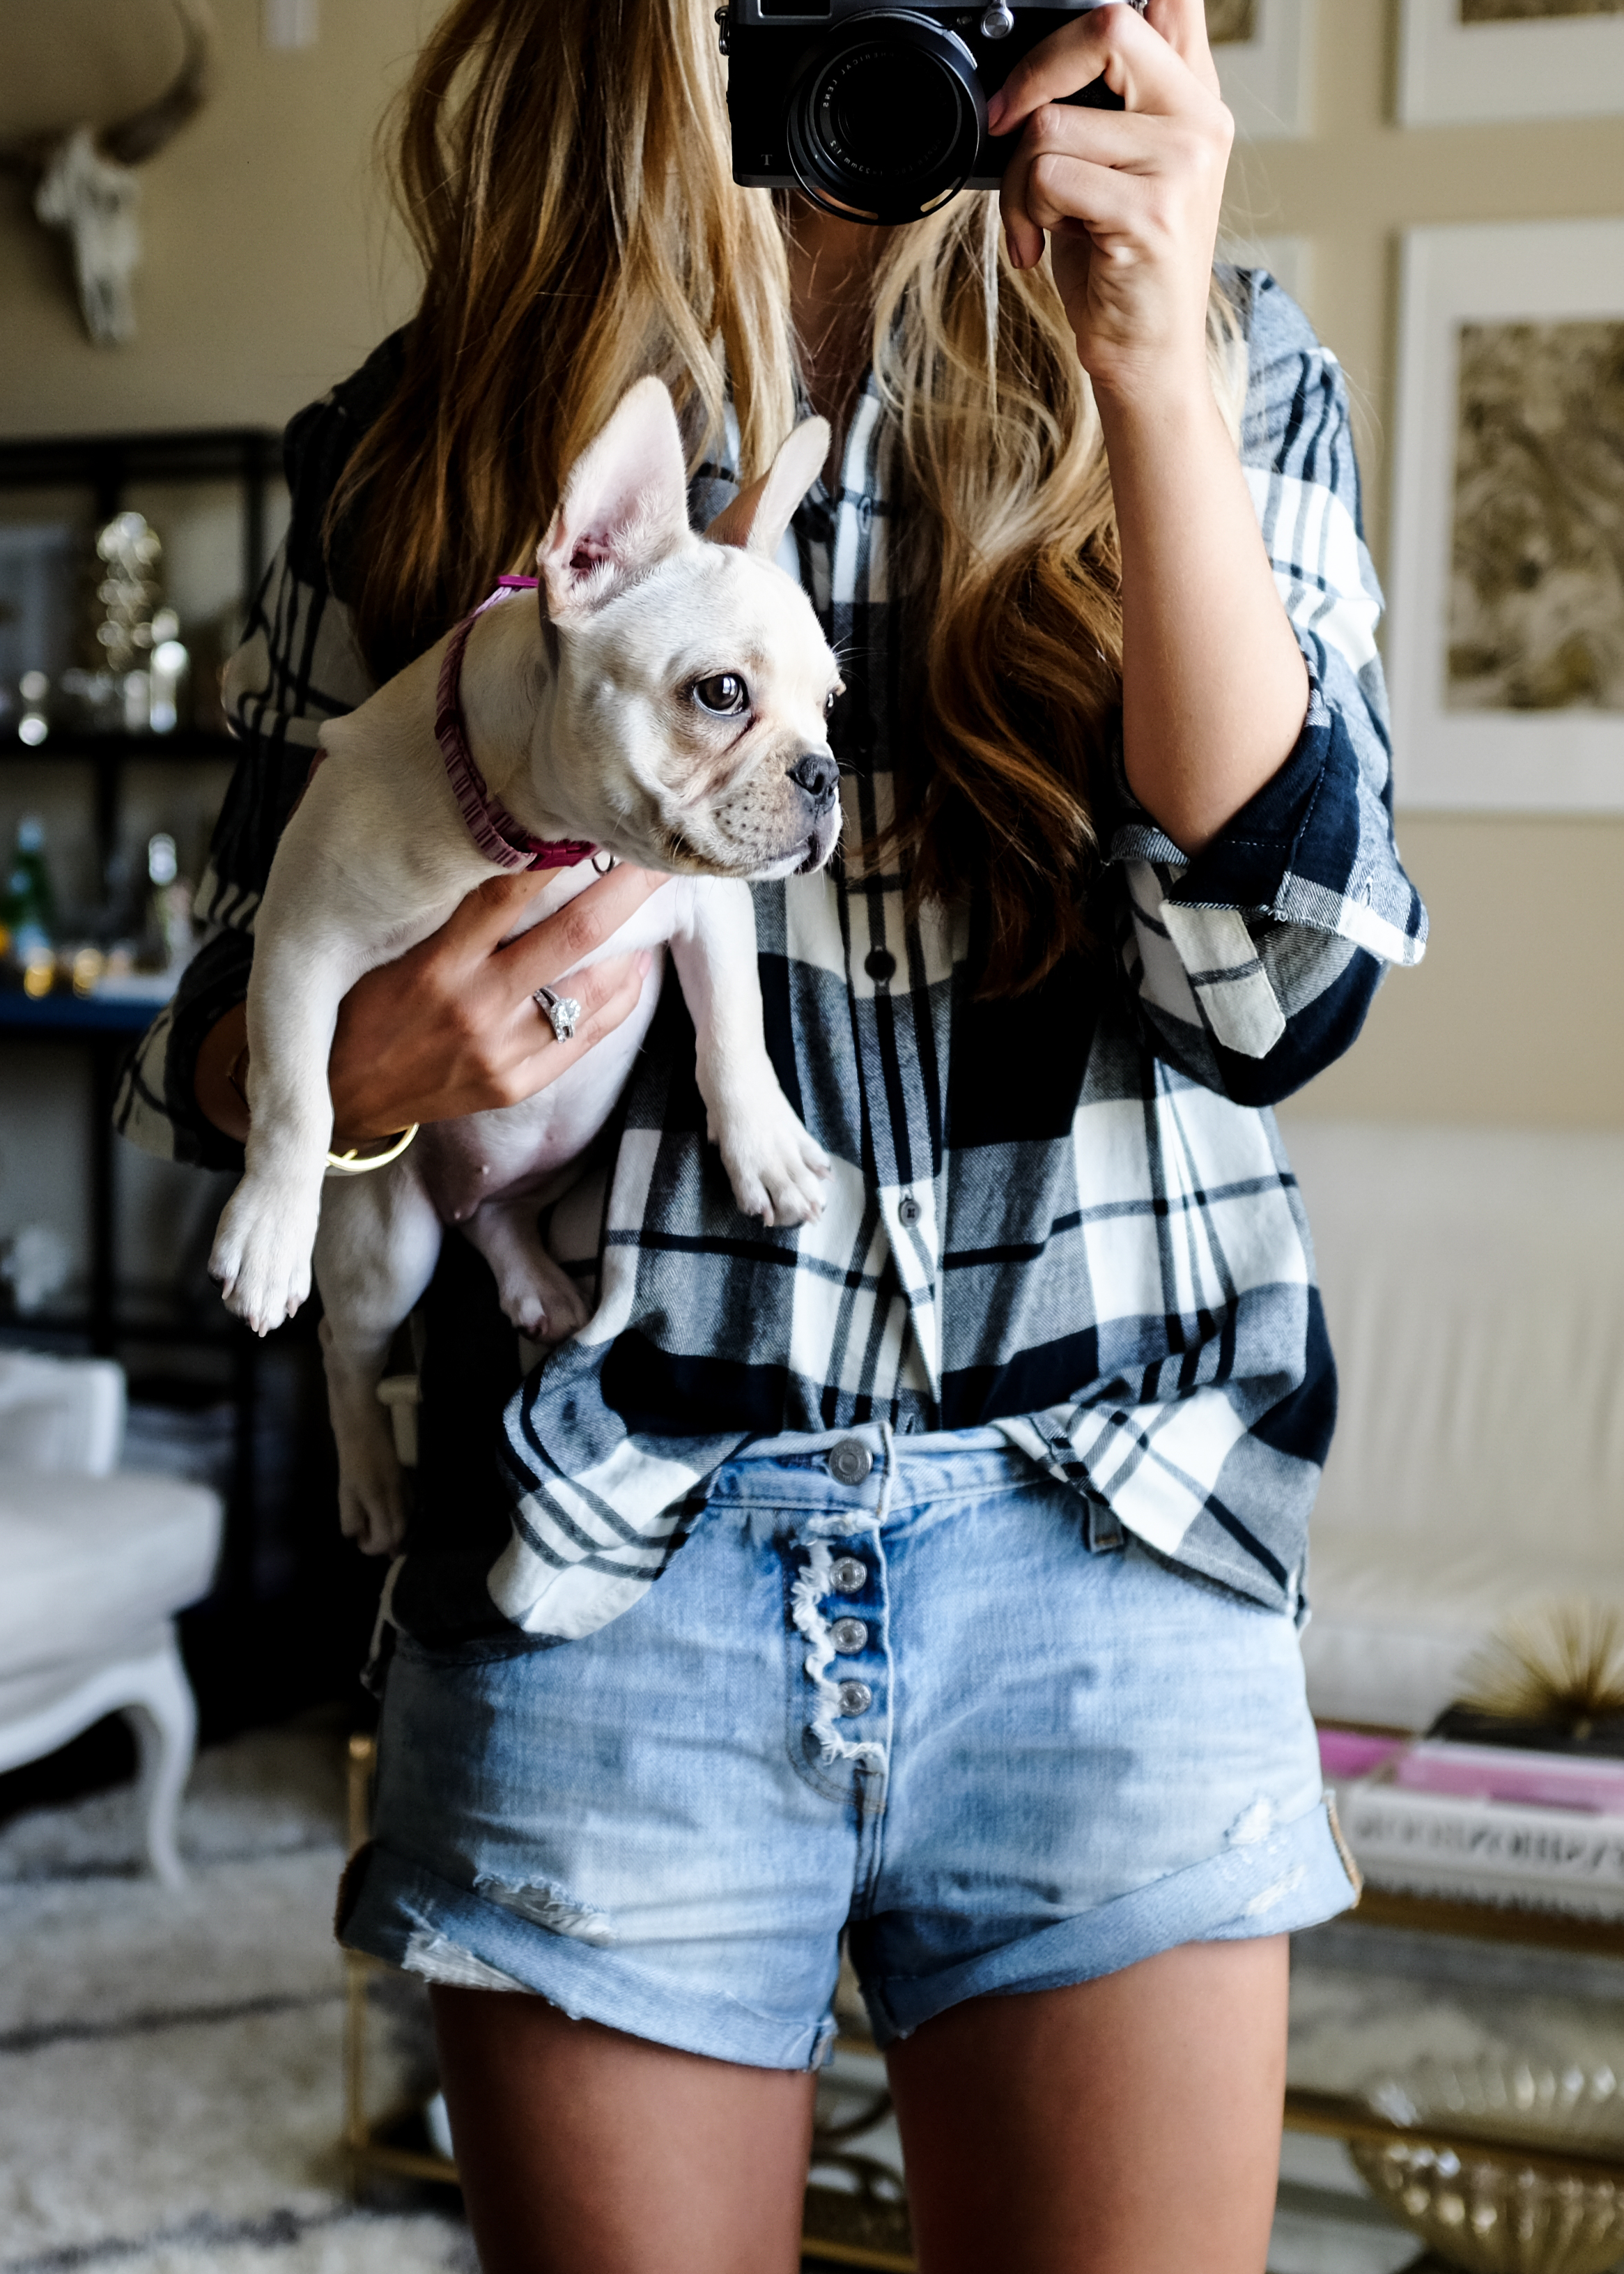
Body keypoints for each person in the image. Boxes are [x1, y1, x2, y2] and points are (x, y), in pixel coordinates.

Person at [118, 0, 1425, 2266]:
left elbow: (1276, 993)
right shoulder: (427, 438)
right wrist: (378, 1073)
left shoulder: (1217, 357)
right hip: (598, 1549)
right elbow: (213, 1057)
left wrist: (1147, 375)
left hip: (1108, 1532)